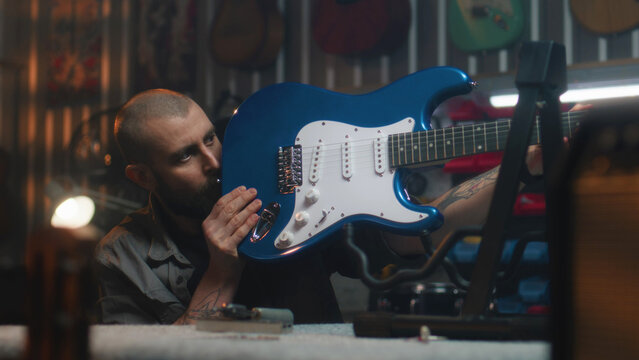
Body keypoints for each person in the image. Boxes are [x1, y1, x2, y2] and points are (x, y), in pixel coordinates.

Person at [94, 89, 556, 325]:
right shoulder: (121, 255)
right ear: (142, 176)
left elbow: (417, 233)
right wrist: (222, 272)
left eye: (209, 137)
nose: (215, 161)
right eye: (184, 156)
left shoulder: (288, 197)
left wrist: (521, 167)